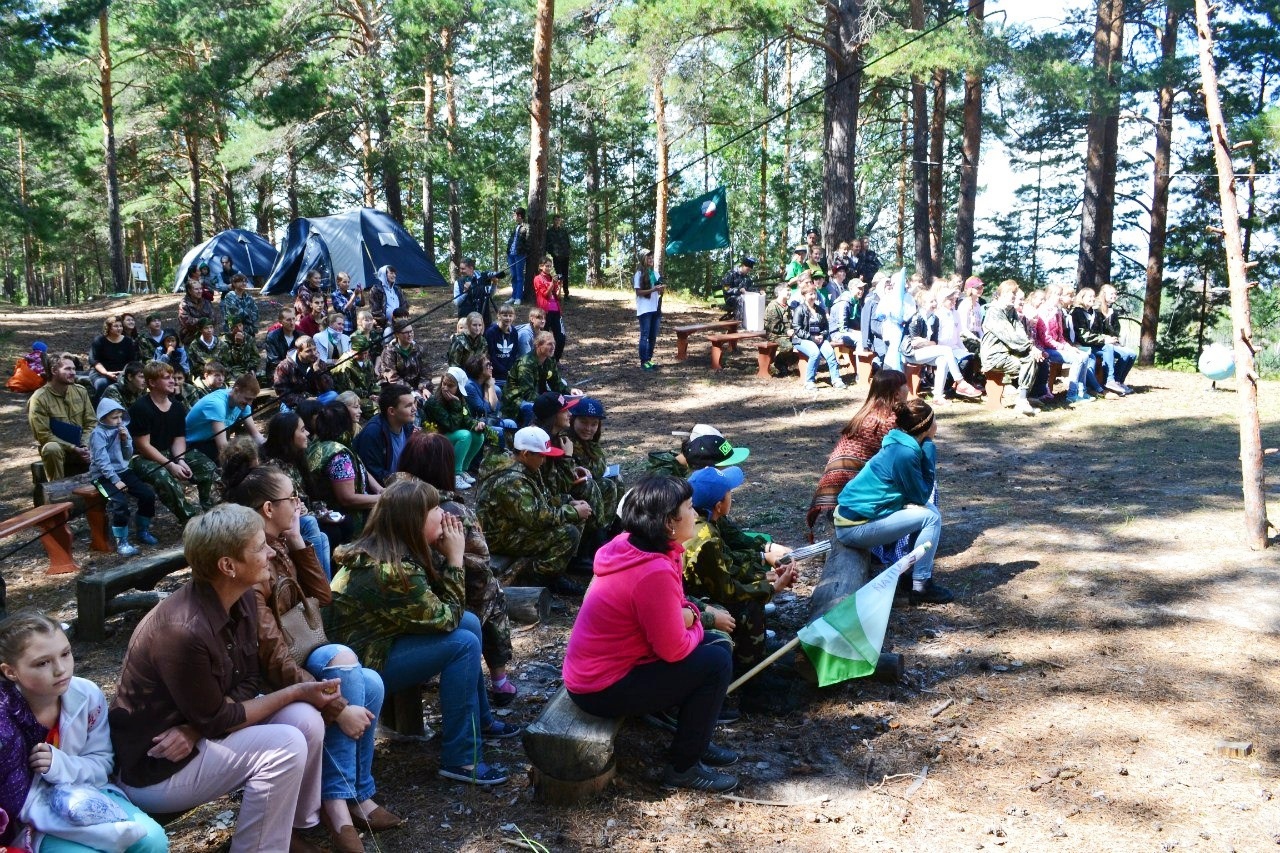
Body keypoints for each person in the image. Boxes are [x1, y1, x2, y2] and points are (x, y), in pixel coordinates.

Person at [109, 505, 337, 853]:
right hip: (157, 768)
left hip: (198, 735)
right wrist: (295, 691)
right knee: (286, 744)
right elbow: (220, 717)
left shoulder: (242, 597)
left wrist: (198, 726)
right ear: (228, 566)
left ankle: (289, 831)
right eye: (260, 547)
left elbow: (248, 679)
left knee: (306, 722)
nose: (272, 551)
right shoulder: (182, 631)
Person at [220, 447, 397, 853]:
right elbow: (273, 660)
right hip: (272, 676)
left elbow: (322, 597)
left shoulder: (280, 543)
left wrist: (299, 541)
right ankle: (341, 806)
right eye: (292, 499)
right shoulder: (252, 562)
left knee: (369, 682)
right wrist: (337, 708)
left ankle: (354, 794)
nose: (299, 503)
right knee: (345, 667)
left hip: (302, 653)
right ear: (268, 508)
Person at [327, 478, 520, 786]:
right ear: (413, 521)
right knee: (464, 644)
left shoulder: (395, 550)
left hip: (379, 645)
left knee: (468, 623)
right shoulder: (389, 570)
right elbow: (445, 618)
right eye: (434, 509)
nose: (443, 515)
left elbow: (448, 612)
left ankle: (479, 721)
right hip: (361, 668)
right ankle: (462, 759)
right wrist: (456, 559)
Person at [562, 475, 738, 793]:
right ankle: (684, 768)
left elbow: (673, 610)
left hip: (605, 668)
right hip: (600, 686)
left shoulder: (637, 544)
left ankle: (695, 736)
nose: (696, 513)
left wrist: (688, 618)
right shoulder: (651, 570)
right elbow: (674, 650)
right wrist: (696, 617)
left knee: (716, 646)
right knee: (715, 662)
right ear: (669, 522)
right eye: (688, 507)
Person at [0, 611, 168, 853]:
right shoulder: (5, 717)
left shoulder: (86, 694)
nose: (61, 669)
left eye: (65, 654)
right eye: (42, 663)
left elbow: (101, 764)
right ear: (10, 671)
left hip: (88, 796)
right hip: (32, 823)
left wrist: (60, 765)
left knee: (152, 840)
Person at [396, 433, 518, 706]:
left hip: (404, 597)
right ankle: (499, 681)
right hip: (440, 599)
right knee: (491, 589)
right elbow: (480, 560)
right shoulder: (449, 509)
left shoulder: (391, 501)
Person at [683, 466, 796, 700]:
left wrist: (765, 573)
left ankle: (756, 662)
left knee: (752, 596)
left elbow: (728, 565)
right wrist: (771, 588)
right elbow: (728, 591)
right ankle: (750, 681)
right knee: (747, 607)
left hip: (697, 593)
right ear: (718, 505)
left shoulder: (706, 524)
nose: (731, 497)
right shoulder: (705, 539)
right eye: (728, 493)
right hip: (696, 600)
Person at [834, 399, 951, 605]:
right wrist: (930, 452)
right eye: (934, 420)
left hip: (854, 519)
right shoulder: (904, 454)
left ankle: (910, 575)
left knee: (928, 511)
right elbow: (921, 495)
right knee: (931, 517)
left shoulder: (899, 444)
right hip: (853, 528)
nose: (937, 425)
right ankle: (921, 584)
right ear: (926, 426)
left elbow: (915, 497)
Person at [475, 426, 590, 595]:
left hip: (514, 525)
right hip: (500, 536)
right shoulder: (511, 480)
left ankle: (555, 572)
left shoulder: (522, 466)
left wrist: (568, 502)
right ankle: (539, 581)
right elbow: (536, 518)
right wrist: (572, 512)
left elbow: (540, 500)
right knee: (568, 532)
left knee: (571, 520)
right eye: (541, 455)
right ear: (526, 453)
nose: (543, 460)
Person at [806, 369, 909, 537]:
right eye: (905, 384)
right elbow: (899, 463)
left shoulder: (869, 412)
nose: (908, 388)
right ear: (897, 393)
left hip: (837, 491)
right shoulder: (888, 421)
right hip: (850, 496)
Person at [128, 361, 218, 523]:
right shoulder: (140, 408)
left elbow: (179, 438)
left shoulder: (177, 407)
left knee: (208, 467)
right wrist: (170, 465)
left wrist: (181, 460)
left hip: (170, 452)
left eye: (172, 377)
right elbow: (143, 446)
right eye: (166, 378)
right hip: (142, 458)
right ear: (152, 383)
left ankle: (211, 509)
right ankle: (191, 521)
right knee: (164, 478)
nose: (172, 381)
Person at [261, 412, 332, 578]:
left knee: (323, 536)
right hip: (283, 521)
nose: (307, 433)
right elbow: (292, 507)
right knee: (310, 523)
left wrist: (321, 508)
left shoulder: (295, 458)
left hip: (298, 515)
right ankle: (322, 589)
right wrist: (318, 514)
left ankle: (326, 589)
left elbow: (305, 498)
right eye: (302, 430)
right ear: (288, 436)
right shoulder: (274, 468)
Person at [89, 398, 157, 556]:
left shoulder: (122, 430)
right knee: (119, 503)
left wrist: (125, 440)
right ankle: (122, 541)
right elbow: (101, 461)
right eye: (114, 418)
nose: (119, 421)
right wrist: (115, 481)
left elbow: (127, 455)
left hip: (123, 471)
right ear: (103, 417)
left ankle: (143, 530)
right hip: (102, 476)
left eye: (120, 417)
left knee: (147, 495)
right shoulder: (98, 434)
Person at [308, 401, 381, 544]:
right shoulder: (338, 455)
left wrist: (379, 488)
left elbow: (360, 466)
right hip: (347, 519)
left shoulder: (318, 444)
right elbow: (347, 498)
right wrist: (385, 499)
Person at [905, 292, 983, 404]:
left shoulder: (934, 319)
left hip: (925, 352)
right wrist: (927, 343)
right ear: (922, 304)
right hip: (911, 353)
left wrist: (925, 342)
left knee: (944, 359)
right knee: (946, 350)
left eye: (935, 301)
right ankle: (960, 382)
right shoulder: (916, 317)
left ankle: (938, 395)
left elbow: (934, 342)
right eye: (931, 301)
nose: (935, 304)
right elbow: (914, 343)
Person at [29, 354, 95, 482]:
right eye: (68, 369)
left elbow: (91, 422)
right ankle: (56, 489)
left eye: (74, 369)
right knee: (51, 448)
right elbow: (43, 434)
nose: (73, 373)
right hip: (60, 449)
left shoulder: (80, 391)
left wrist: (84, 445)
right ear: (54, 371)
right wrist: (73, 448)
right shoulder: (39, 399)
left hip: (83, 446)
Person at [980, 281, 1040, 417]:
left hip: (1008, 352)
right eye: (1010, 293)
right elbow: (1010, 337)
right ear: (1000, 294)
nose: (1013, 296)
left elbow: (1020, 332)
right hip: (994, 355)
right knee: (1029, 362)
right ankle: (1022, 400)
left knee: (1034, 360)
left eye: (1014, 293)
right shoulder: (994, 311)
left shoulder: (1011, 310)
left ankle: (1023, 399)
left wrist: (1031, 348)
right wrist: (1031, 348)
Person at [421, 368, 487, 491]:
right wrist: (455, 405)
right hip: (435, 438)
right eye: (444, 384)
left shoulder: (459, 399)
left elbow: (466, 418)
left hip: (449, 435)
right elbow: (451, 426)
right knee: (465, 435)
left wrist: (476, 424)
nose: (445, 388)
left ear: (458, 388)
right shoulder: (434, 402)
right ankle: (454, 474)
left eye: (450, 386)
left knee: (478, 435)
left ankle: (462, 470)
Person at [501, 331, 581, 424]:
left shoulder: (549, 361)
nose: (553, 347)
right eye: (549, 344)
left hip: (537, 395)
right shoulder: (526, 364)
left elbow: (556, 383)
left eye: (554, 344)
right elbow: (528, 394)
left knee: (567, 403)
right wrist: (549, 402)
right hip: (516, 400)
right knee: (531, 408)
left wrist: (570, 391)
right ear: (538, 345)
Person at [1033, 283, 1093, 405]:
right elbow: (1046, 339)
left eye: (1061, 294)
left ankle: (1082, 392)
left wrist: (1068, 347)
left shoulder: (1057, 311)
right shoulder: (1043, 311)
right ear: (1050, 295)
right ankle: (1071, 395)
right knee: (1077, 359)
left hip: (1057, 347)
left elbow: (1060, 336)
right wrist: (1063, 348)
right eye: (1058, 295)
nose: (1060, 297)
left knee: (1084, 355)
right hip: (1045, 348)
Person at [186, 372, 263, 463]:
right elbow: (222, 447)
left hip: (210, 441)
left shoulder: (243, 405)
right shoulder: (217, 404)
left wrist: (269, 447)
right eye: (247, 399)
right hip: (191, 445)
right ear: (236, 390)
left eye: (252, 399)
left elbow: (256, 435)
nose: (250, 403)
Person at [352, 383, 416, 487]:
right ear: (391, 411)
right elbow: (373, 473)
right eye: (408, 406)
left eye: (414, 403)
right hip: (382, 492)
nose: (414, 409)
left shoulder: (407, 426)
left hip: (401, 485)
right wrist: (409, 482)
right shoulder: (373, 433)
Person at [791, 283, 846, 390]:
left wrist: (822, 335)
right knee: (815, 353)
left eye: (814, 294)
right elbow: (797, 329)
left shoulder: (820, 310)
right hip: (801, 339)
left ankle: (836, 380)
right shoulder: (799, 309)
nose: (813, 296)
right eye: (810, 294)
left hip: (819, 338)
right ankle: (809, 382)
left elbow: (826, 327)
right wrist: (812, 338)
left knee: (830, 353)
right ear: (804, 296)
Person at [330, 332, 379, 421]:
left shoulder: (366, 360)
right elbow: (347, 391)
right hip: (353, 400)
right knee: (378, 409)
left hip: (366, 394)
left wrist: (374, 393)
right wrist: (368, 395)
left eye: (366, 353)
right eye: (361, 353)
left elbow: (371, 380)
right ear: (353, 350)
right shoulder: (344, 365)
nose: (364, 356)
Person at [89, 315, 140, 398]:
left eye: (120, 326)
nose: (119, 328)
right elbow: (94, 360)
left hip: (122, 373)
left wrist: (123, 372)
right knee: (102, 384)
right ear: (109, 328)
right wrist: (106, 373)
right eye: (116, 326)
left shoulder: (127, 341)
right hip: (100, 374)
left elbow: (132, 361)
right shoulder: (99, 340)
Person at [273, 336, 328, 410]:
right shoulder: (284, 366)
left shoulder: (319, 363)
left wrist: (317, 370)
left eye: (314, 349)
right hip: (294, 403)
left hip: (317, 398)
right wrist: (304, 400)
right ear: (299, 351)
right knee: (287, 414)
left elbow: (327, 388)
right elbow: (282, 393)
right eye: (308, 351)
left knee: (332, 395)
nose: (313, 353)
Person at [375, 319, 429, 392]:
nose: (410, 335)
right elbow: (393, 378)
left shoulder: (419, 349)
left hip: (418, 388)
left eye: (411, 331)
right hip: (397, 390)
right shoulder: (389, 352)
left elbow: (426, 372)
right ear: (397, 334)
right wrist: (412, 392)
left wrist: (423, 388)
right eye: (406, 333)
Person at [633, 249, 664, 370]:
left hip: (655, 308)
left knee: (653, 336)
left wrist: (661, 288)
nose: (651, 260)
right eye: (648, 258)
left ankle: (649, 360)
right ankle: (643, 361)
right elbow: (638, 292)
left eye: (652, 257)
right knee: (645, 335)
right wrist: (653, 290)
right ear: (643, 259)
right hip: (645, 309)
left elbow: (659, 290)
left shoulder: (655, 273)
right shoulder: (639, 274)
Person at [532, 256, 565, 360]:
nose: (549, 268)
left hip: (556, 311)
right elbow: (545, 294)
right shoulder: (537, 278)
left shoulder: (551, 277)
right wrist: (552, 283)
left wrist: (560, 285)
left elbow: (558, 297)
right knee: (544, 338)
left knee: (561, 337)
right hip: (545, 313)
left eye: (550, 266)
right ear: (541, 266)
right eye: (547, 266)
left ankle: (556, 361)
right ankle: (543, 360)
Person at [453, 258, 502, 326]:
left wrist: (494, 284)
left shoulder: (483, 277)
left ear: (471, 268)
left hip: (484, 318)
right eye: (460, 268)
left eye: (463, 268)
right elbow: (457, 302)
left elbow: (490, 294)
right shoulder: (458, 282)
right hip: (466, 320)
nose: (461, 271)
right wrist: (465, 292)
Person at [484, 302, 520, 383]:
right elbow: (491, 355)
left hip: (509, 370)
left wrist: (511, 369)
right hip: (495, 372)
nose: (508, 318)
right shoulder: (491, 332)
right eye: (505, 315)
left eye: (510, 316)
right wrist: (503, 370)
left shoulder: (514, 331)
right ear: (499, 316)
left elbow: (514, 353)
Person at [367, 265, 407, 334]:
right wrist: (387, 323)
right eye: (391, 273)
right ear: (384, 275)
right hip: (385, 326)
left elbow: (404, 305)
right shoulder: (376, 290)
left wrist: (402, 318)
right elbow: (375, 311)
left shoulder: (397, 289)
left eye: (394, 273)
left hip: (400, 323)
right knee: (387, 336)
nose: (394, 275)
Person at [177, 280, 217, 347]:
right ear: (189, 291)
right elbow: (187, 322)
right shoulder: (184, 304)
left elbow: (214, 319)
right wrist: (204, 321)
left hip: (207, 337)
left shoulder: (206, 302)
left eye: (200, 288)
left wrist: (199, 322)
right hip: (191, 339)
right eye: (196, 289)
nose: (199, 291)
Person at [719, 256, 756, 323]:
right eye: (747, 269)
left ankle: (750, 323)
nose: (748, 272)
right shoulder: (731, 273)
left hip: (743, 297)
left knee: (753, 298)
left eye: (750, 270)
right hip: (729, 298)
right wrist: (738, 290)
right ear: (743, 265)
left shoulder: (747, 278)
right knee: (739, 299)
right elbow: (726, 289)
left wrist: (759, 291)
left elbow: (750, 288)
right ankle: (738, 324)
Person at [506, 207, 529, 305]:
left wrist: (525, 251)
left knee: (519, 276)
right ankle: (513, 296)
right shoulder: (516, 227)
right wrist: (508, 252)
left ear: (519, 215)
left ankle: (518, 297)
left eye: (514, 215)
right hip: (511, 254)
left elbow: (529, 241)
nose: (513, 217)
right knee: (514, 276)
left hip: (520, 254)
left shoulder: (526, 226)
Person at [546, 214, 571, 298]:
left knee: (565, 274)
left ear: (560, 221)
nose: (557, 222)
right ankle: (558, 292)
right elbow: (548, 245)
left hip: (565, 255)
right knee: (559, 275)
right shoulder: (549, 231)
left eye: (559, 220)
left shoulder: (563, 231)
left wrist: (568, 252)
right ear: (553, 221)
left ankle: (566, 293)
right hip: (557, 257)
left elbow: (567, 243)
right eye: (556, 220)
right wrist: (553, 253)